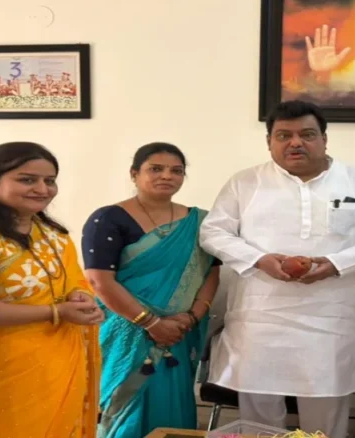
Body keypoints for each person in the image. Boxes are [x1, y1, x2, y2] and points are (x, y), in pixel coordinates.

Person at [200, 100, 355, 438]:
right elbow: (213, 232)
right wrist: (260, 259)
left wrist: (335, 264)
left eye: (307, 134)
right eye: (284, 135)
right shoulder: (245, 182)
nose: (295, 143)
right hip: (260, 318)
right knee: (259, 418)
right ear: (269, 142)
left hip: (331, 319)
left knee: (325, 419)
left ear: (324, 139)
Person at [0, 142, 103, 438]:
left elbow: (74, 281)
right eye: (27, 180)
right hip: (0, 367)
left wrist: (80, 297)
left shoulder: (51, 233)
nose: (42, 189)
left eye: (49, 180)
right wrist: (56, 312)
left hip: (54, 364)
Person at [82, 143, 221, 437]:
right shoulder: (108, 219)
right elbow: (99, 281)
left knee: (171, 406)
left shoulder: (200, 222)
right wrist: (152, 323)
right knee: (120, 407)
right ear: (134, 173)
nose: (167, 176)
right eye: (155, 169)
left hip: (178, 332)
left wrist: (192, 317)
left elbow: (212, 272)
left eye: (176, 171)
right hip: (125, 330)